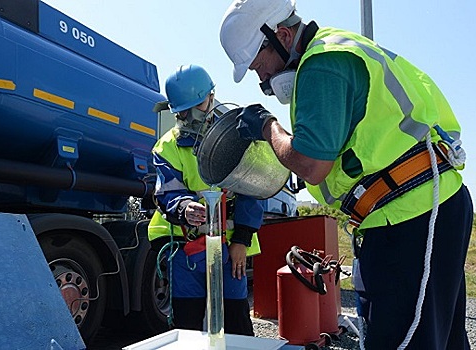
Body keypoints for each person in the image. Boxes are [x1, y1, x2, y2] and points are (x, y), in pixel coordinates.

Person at [219, 0, 473, 349]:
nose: (260, 77)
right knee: (439, 337)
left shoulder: (321, 65)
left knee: (405, 341)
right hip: (415, 208)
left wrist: (267, 126)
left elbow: (310, 163)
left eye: (257, 64)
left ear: (281, 34)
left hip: (410, 214)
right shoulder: (336, 48)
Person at [147, 64, 264, 335]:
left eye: (197, 105)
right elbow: (168, 192)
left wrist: (241, 241)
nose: (191, 115)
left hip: (230, 249)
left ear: (211, 98)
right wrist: (185, 208)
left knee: (236, 324)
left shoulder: (235, 138)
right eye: (183, 110)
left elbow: (251, 191)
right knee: (187, 326)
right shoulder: (167, 147)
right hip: (184, 251)